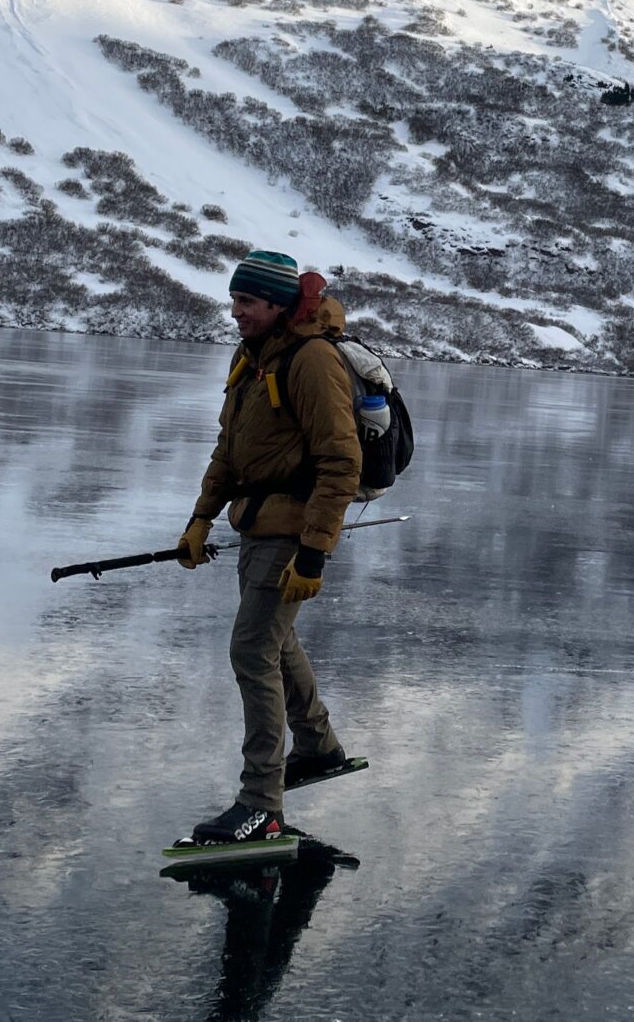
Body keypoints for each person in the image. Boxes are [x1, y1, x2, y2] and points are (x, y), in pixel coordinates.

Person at [178, 248, 363, 846]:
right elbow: (228, 450)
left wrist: (313, 553)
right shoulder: (252, 359)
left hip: (291, 532)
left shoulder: (311, 361)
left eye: (248, 302)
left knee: (251, 651)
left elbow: (341, 461)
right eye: (233, 300)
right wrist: (200, 519)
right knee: (276, 644)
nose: (236, 312)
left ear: (280, 306)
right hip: (254, 525)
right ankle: (318, 747)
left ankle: (261, 803)